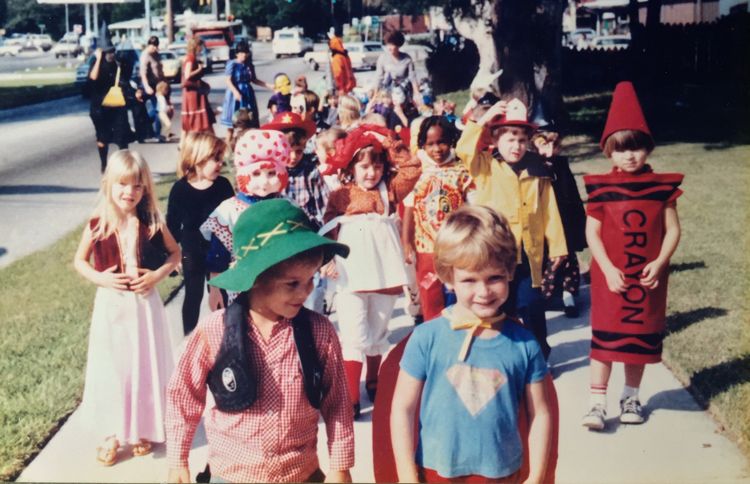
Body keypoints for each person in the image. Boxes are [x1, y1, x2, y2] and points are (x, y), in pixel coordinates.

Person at [166, 198, 355, 483]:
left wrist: (340, 466)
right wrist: (177, 460)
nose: (305, 292)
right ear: (255, 279)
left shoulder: (319, 332)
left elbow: (337, 401)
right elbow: (183, 394)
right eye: (292, 283)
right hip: (231, 475)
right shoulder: (215, 331)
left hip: (301, 474)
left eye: (311, 279)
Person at [390, 205, 552, 482]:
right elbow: (402, 408)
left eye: (494, 278)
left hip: (502, 474)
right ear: (447, 277)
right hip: (435, 471)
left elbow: (540, 414)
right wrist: (407, 475)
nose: (484, 291)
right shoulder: (426, 338)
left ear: (510, 272)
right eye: (469, 280)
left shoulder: (524, 344)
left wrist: (536, 476)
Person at [581, 81, 682, 430]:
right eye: (622, 149)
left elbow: (673, 230)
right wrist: (607, 268)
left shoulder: (661, 188)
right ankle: (596, 403)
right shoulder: (602, 189)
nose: (630, 155)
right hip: (611, 276)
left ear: (648, 149)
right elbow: (592, 231)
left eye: (637, 147)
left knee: (636, 340)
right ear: (609, 151)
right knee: (606, 339)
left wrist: (660, 261)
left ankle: (631, 397)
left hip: (647, 276)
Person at [73, 149, 181, 466]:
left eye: (137, 186)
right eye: (122, 184)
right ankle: (112, 433)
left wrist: (159, 274)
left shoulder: (152, 222)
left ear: (145, 188)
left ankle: (143, 428)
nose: (129, 192)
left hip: (145, 307)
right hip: (112, 308)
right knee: (114, 368)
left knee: (144, 366)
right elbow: (80, 261)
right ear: (109, 184)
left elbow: (176, 255)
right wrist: (99, 278)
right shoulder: (97, 225)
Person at [320, 124, 421, 418]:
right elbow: (328, 229)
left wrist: (390, 143)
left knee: (378, 327)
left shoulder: (389, 190)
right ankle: (351, 394)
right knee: (353, 333)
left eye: (377, 166)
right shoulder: (341, 196)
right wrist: (328, 257)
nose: (371, 173)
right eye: (364, 166)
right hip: (352, 271)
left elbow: (413, 169)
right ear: (351, 167)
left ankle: (374, 379)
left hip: (384, 269)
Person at [455, 98, 568, 359]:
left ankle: (539, 355)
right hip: (496, 252)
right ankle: (502, 356)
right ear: (495, 140)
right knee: (496, 306)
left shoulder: (538, 169)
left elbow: (549, 209)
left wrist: (558, 246)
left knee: (531, 304)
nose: (516, 146)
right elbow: (463, 148)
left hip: (529, 252)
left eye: (521, 140)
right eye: (509, 139)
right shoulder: (484, 165)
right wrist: (483, 119)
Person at [199, 129, 290, 308]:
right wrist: (216, 289)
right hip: (243, 287)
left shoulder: (287, 207)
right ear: (244, 174)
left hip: (282, 285)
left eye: (271, 173)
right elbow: (218, 255)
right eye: (256, 174)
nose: (264, 182)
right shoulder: (230, 210)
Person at [401, 116, 475, 322]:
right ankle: (433, 330)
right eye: (431, 144)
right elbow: (409, 207)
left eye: (442, 142)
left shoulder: (461, 171)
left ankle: (460, 327)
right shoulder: (417, 173)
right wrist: (406, 242)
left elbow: (473, 206)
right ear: (423, 145)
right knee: (429, 290)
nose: (437, 149)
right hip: (426, 246)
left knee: (458, 289)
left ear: (451, 141)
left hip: (457, 244)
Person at [166, 133, 234, 335]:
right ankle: (190, 337)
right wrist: (172, 254)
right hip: (191, 251)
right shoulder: (180, 189)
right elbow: (172, 226)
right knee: (193, 295)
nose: (221, 163)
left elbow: (232, 218)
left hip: (219, 249)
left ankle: (224, 337)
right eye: (216, 159)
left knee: (221, 293)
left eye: (221, 158)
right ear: (199, 158)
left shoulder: (222, 186)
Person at [532, 126, 587, 317]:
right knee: (547, 258)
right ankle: (546, 295)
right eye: (545, 144)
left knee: (568, 257)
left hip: (565, 218)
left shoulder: (561, 164)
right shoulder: (532, 165)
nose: (550, 149)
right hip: (544, 219)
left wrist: (578, 223)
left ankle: (568, 294)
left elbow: (572, 194)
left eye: (555, 145)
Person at [87, 46, 133, 172]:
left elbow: (125, 79)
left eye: (112, 51)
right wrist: (98, 58)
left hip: (116, 106)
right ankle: (104, 164)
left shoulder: (117, 65)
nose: (110, 54)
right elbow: (93, 78)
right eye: (107, 52)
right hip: (100, 109)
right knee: (102, 138)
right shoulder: (96, 64)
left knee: (122, 137)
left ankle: (125, 165)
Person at [219, 40, 273, 144]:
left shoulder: (249, 65)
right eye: (241, 53)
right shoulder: (232, 64)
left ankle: (249, 145)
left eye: (245, 52)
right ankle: (227, 149)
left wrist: (269, 85)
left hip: (247, 93)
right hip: (234, 95)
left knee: (249, 121)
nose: (243, 55)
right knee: (232, 125)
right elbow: (228, 80)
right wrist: (235, 92)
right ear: (237, 53)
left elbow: (254, 80)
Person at [375, 30, 420, 110]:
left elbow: (412, 77)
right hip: (388, 92)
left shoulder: (407, 58)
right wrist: (375, 94)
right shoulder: (383, 58)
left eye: (392, 45)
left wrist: (417, 94)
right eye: (388, 44)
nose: (389, 47)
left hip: (403, 92)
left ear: (398, 45)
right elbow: (379, 77)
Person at [181, 38, 215, 137]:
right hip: (193, 93)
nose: (201, 49)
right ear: (196, 46)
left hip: (193, 91)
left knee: (193, 119)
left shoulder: (191, 57)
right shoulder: (190, 58)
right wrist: (199, 69)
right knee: (196, 118)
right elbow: (187, 75)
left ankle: (183, 143)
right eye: (200, 46)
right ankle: (211, 139)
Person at [139, 35, 164, 140]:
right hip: (147, 86)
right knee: (155, 110)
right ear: (149, 45)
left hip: (157, 85)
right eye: (152, 46)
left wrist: (164, 83)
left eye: (156, 46)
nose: (154, 48)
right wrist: (147, 87)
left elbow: (160, 70)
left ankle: (157, 133)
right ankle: (144, 128)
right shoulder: (145, 55)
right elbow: (143, 74)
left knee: (159, 109)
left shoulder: (156, 54)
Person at [329, 29, 356, 95]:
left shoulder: (337, 58)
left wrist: (339, 88)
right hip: (350, 86)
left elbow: (338, 74)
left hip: (343, 89)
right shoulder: (345, 56)